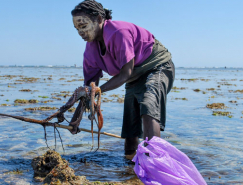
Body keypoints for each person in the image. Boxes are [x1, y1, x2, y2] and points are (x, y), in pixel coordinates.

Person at [71, 0, 175, 159]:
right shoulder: (90, 51)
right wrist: (75, 118)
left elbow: (125, 73)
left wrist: (100, 90)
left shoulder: (119, 32)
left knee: (148, 106)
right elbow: (90, 88)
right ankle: (130, 163)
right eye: (77, 28)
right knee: (130, 122)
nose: (80, 32)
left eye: (83, 26)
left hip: (156, 66)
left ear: (99, 19)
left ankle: (154, 160)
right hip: (134, 75)